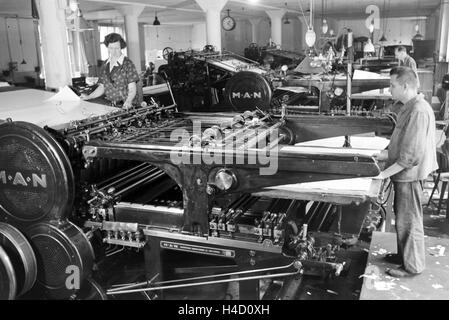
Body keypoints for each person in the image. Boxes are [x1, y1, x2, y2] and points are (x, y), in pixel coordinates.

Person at [375, 66, 438, 277]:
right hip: (403, 174)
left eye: (392, 85)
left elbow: (410, 157)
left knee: (410, 220)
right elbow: (400, 143)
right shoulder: (408, 107)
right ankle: (403, 256)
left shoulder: (418, 111)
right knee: (402, 217)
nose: (390, 89)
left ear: (405, 85)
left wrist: (382, 174)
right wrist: (381, 155)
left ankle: (412, 266)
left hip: (409, 175)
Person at [81, 33, 140, 109]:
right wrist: (88, 97)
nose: (114, 51)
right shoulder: (105, 65)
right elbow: (102, 87)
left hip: (127, 105)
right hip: (112, 106)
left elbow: (132, 88)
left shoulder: (127, 64)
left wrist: (128, 101)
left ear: (121, 47)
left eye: (117, 48)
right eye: (111, 48)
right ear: (107, 48)